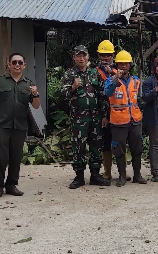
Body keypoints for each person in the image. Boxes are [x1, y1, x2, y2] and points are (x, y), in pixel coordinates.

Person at [0, 53, 41, 198]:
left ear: (24, 65)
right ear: (8, 64)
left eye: (20, 62)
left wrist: (35, 95)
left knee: (16, 157)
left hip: (20, 126)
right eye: (14, 62)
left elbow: (36, 106)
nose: (17, 65)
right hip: (1, 125)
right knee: (0, 157)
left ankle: (11, 184)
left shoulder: (28, 84)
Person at [62, 45, 111, 189]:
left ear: (88, 57)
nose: (81, 58)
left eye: (84, 55)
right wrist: (73, 87)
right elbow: (63, 95)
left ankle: (95, 175)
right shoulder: (69, 75)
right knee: (78, 147)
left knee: (96, 146)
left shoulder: (95, 74)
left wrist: (104, 115)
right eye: (78, 56)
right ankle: (79, 177)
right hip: (79, 119)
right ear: (74, 58)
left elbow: (102, 95)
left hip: (96, 118)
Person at [103, 50, 147, 187]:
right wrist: (116, 78)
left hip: (135, 120)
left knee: (137, 148)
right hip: (118, 121)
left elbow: (138, 100)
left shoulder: (136, 81)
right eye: (120, 64)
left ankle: (137, 175)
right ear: (116, 65)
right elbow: (107, 92)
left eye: (126, 64)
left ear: (130, 65)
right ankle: (122, 176)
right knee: (119, 149)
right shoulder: (110, 80)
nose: (123, 66)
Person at [96, 39, 117, 180]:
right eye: (103, 55)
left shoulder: (119, 71)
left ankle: (122, 171)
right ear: (99, 56)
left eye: (109, 54)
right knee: (105, 142)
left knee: (120, 142)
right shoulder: (95, 72)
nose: (106, 57)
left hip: (119, 113)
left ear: (113, 55)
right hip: (103, 113)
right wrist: (104, 115)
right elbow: (98, 95)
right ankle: (107, 171)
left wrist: (113, 74)